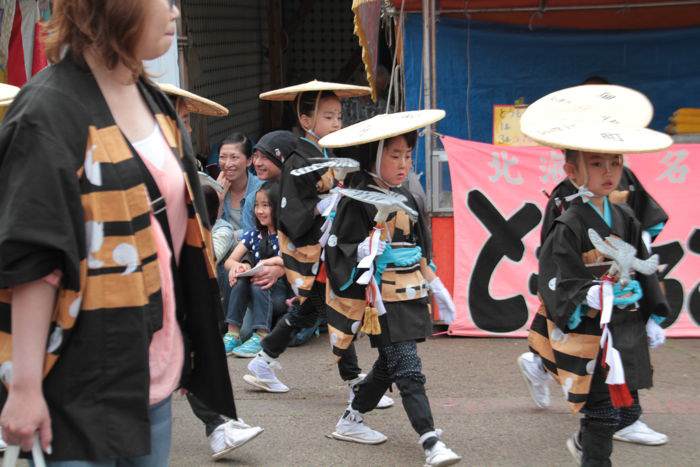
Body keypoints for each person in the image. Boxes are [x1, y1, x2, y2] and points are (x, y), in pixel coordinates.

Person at [0, 0, 258, 463]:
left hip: (151, 369)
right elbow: (34, 258)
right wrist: (23, 388)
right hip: (74, 385)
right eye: (163, 0)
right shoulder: (47, 111)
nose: (176, 13)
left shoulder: (150, 97)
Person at [521, 85, 672, 466]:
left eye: (615, 163)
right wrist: (587, 294)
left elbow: (639, 260)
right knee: (604, 413)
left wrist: (654, 312)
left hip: (624, 320)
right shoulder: (568, 220)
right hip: (591, 327)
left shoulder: (624, 216)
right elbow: (556, 274)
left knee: (612, 410)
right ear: (573, 171)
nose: (609, 172)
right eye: (598, 164)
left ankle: (586, 444)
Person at [317, 110, 461, 467]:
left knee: (389, 362)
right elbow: (338, 251)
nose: (403, 163)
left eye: (408, 155)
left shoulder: (407, 198)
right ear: (374, 156)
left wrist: (435, 283)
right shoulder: (356, 198)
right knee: (407, 365)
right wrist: (364, 251)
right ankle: (430, 442)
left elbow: (420, 248)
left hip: (408, 293)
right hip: (378, 300)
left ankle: (351, 418)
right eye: (394, 155)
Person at [245, 81, 394, 410]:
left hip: (325, 244)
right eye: (328, 117)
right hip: (315, 248)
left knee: (311, 308)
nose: (336, 124)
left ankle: (264, 358)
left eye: (339, 117)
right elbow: (297, 211)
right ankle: (355, 383)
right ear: (306, 119)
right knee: (337, 306)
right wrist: (329, 200)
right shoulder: (301, 157)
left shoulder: (320, 153)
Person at [160, 85, 264, 460]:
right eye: (180, 119)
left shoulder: (178, 167)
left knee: (186, 351)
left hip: (172, 283)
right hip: (134, 287)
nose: (185, 130)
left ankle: (218, 426)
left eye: (187, 120)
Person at [223, 182, 290, 357]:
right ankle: (232, 334)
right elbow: (229, 261)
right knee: (241, 277)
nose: (259, 211)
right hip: (255, 294)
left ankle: (261, 335)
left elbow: (293, 260)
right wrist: (238, 266)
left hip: (280, 295)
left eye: (266, 205)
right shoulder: (253, 234)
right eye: (257, 206)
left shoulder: (285, 234)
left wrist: (273, 262)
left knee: (258, 280)